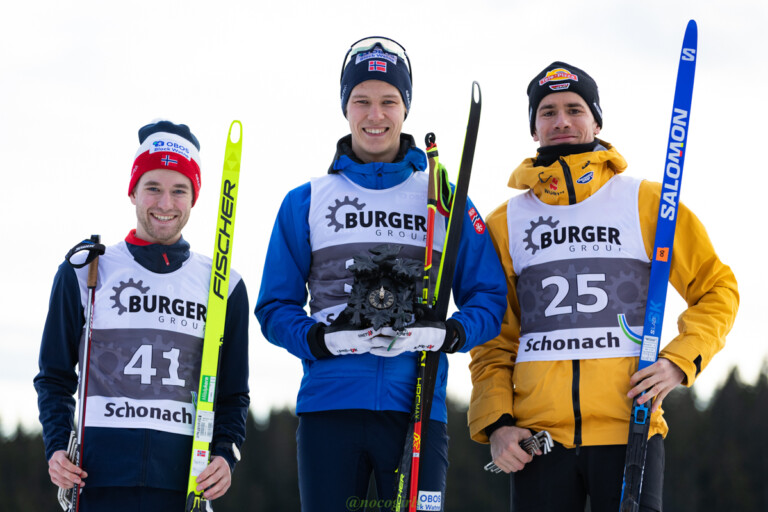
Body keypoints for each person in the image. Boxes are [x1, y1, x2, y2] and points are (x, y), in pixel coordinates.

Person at [468, 62, 739, 512]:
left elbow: (717, 288)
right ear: (534, 129)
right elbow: (494, 340)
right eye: (547, 111)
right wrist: (497, 423)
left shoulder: (648, 201)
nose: (561, 120)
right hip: (540, 440)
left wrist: (678, 361)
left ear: (596, 120)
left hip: (629, 427)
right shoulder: (505, 223)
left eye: (574, 109)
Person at [255, 37, 506, 511]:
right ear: (345, 108)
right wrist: (318, 340)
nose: (376, 115)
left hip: (416, 404)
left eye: (389, 101)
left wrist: (449, 333)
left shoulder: (445, 199)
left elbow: (490, 298)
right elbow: (273, 307)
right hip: (330, 406)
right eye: (362, 101)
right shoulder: (305, 201)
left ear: (405, 107)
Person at [34, 120, 250, 511]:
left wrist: (225, 454)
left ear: (193, 198)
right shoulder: (85, 270)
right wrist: (56, 447)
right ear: (132, 191)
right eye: (153, 188)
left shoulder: (223, 283)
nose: (165, 204)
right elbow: (54, 375)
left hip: (182, 485)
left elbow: (233, 394)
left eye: (178, 190)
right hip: (97, 482)